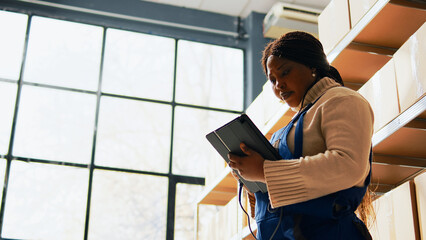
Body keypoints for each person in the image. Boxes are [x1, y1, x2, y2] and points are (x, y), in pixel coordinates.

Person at [228, 31, 374, 240]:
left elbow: (348, 165)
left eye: (285, 72)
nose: (278, 85)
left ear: (312, 66)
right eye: (272, 80)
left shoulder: (342, 100)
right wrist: (249, 175)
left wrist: (263, 171)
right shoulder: (294, 123)